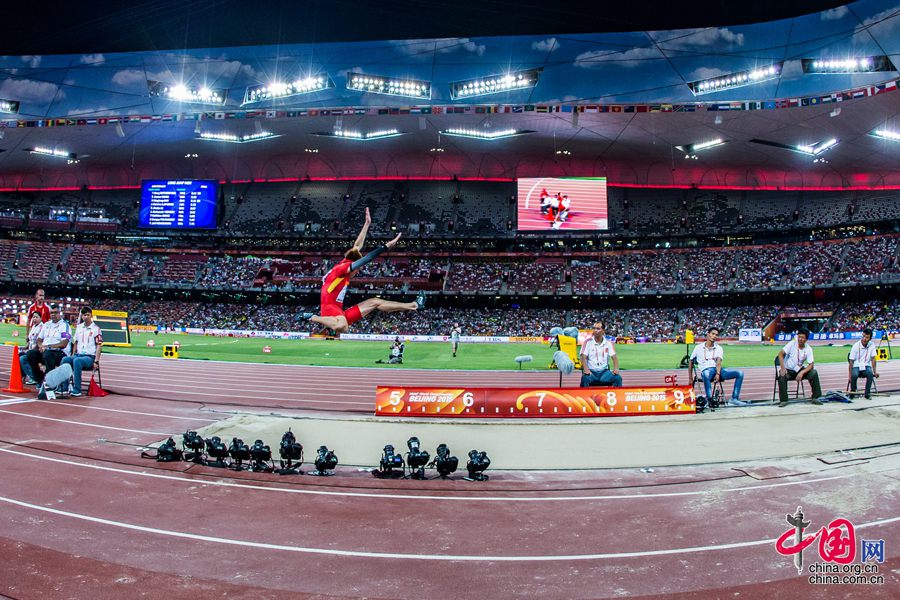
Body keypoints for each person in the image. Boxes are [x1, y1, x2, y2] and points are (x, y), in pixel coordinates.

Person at [302, 208, 423, 333]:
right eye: (357, 268)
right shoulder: (342, 268)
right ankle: (313, 317)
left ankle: (414, 305)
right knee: (343, 327)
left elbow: (357, 246)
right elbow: (367, 258)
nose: (357, 271)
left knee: (375, 302)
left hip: (339, 311)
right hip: (329, 308)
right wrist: (386, 246)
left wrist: (367, 224)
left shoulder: (344, 262)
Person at [688, 326, 747, 406]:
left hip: (718, 371)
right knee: (706, 373)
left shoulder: (719, 348)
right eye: (713, 334)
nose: (714, 336)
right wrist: (690, 378)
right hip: (706, 370)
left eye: (716, 335)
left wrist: (718, 373)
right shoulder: (698, 348)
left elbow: (719, 362)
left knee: (740, 373)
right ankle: (710, 400)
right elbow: (691, 361)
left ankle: (734, 399)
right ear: (708, 334)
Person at [25, 303, 71, 388]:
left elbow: (64, 343)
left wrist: (48, 347)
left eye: (55, 312)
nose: (53, 315)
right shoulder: (46, 324)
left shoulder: (64, 325)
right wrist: (41, 346)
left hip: (59, 353)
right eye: (51, 313)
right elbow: (39, 339)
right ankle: (40, 379)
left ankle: (50, 383)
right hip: (46, 351)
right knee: (30, 354)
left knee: (48, 354)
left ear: (60, 313)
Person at [61, 306, 103, 397]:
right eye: (84, 315)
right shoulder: (79, 327)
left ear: (91, 315)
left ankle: (77, 389)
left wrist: (96, 360)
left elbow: (99, 345)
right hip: (78, 355)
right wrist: (72, 354)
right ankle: (64, 387)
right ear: (82, 316)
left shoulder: (96, 329)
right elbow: (75, 342)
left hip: (89, 357)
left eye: (88, 315)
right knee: (65, 359)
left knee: (77, 361)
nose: (86, 317)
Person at [776, 328, 822, 406]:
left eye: (802, 337)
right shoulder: (792, 343)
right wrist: (783, 368)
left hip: (800, 370)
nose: (800, 339)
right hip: (789, 370)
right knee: (782, 376)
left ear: (806, 339)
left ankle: (815, 397)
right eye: (799, 337)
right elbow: (780, 354)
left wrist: (802, 372)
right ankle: (784, 400)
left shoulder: (808, 349)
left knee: (813, 372)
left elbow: (811, 365)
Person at [579, 321, 622, 387]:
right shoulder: (587, 342)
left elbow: (614, 357)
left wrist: (616, 368)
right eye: (594, 328)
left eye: (598, 328)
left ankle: (618, 396)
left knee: (617, 378)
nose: (595, 330)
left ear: (603, 331)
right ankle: (584, 397)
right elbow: (583, 357)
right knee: (585, 379)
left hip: (604, 373)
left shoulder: (608, 343)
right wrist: (586, 369)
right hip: (591, 372)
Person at [848, 327, 879, 399]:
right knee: (854, 375)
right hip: (856, 365)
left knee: (870, 374)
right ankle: (852, 392)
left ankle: (867, 394)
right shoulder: (855, 346)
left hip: (866, 365)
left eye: (867, 337)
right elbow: (851, 361)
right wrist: (849, 376)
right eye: (863, 336)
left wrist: (875, 372)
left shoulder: (872, 345)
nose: (864, 339)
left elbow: (873, 359)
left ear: (870, 339)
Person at [21, 312, 44, 385]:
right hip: (30, 349)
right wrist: (25, 346)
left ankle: (33, 377)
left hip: (37, 351)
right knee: (19, 354)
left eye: (36, 317)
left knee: (22, 358)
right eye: (33, 317)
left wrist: (31, 350)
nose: (34, 319)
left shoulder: (42, 327)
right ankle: (22, 376)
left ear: (41, 318)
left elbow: (40, 341)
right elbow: (31, 340)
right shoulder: (34, 327)